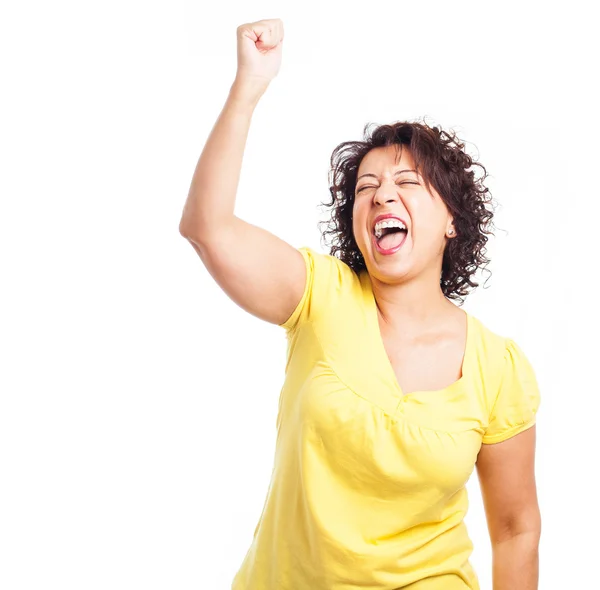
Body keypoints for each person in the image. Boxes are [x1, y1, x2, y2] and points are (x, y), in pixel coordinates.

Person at [179, 18, 541, 590]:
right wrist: (249, 86)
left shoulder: (499, 369)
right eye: (366, 189)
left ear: (451, 220)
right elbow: (208, 227)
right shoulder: (320, 296)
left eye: (407, 184)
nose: (381, 196)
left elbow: (517, 527)